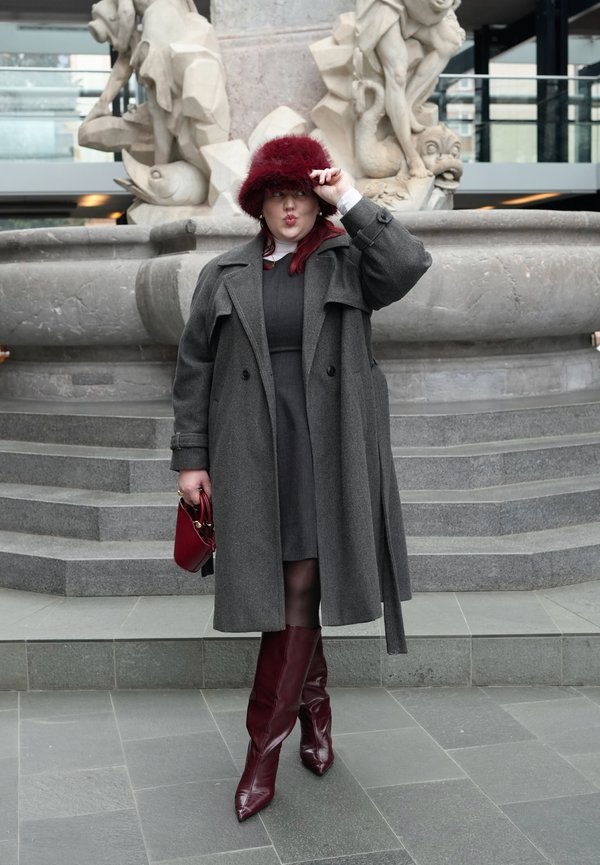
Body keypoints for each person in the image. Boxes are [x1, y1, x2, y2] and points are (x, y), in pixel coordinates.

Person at [171, 135, 432, 821]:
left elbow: (410, 263)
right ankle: (315, 712)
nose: (290, 205)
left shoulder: (350, 261)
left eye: (303, 193)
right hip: (255, 454)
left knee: (296, 589)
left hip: (331, 450)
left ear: (316, 199)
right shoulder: (223, 273)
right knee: (292, 590)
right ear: (259, 202)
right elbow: (193, 368)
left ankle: (262, 751)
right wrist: (191, 458)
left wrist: (348, 196)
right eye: (277, 194)